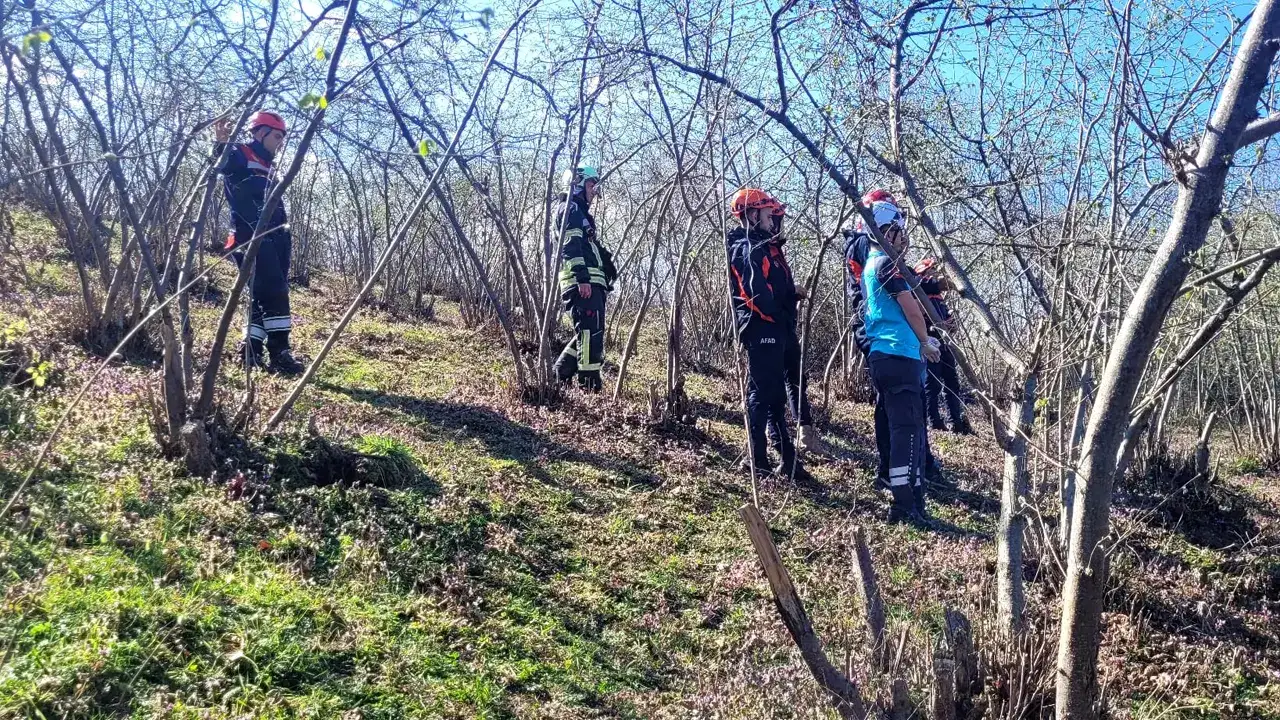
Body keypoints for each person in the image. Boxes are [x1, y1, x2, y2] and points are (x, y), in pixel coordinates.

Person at [859, 199, 941, 524]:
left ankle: (915, 502)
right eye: (897, 230)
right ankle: (904, 506)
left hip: (893, 356)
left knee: (914, 430)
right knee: (906, 432)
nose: (902, 236)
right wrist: (925, 341)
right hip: (898, 355)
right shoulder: (885, 264)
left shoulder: (874, 264)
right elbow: (911, 309)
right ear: (883, 230)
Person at [726, 187, 816, 485]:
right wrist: (776, 314)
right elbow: (754, 294)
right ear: (752, 214)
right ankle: (756, 459)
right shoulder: (746, 247)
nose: (772, 219)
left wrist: (791, 295)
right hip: (762, 327)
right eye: (767, 214)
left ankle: (787, 460)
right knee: (762, 393)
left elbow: (774, 287)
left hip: (778, 327)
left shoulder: (766, 246)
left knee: (775, 394)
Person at [213, 110, 304, 376]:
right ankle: (280, 352)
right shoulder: (242, 153)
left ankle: (250, 348)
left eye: (282, 138)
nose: (280, 143)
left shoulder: (269, 165)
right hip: (249, 235)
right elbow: (223, 164)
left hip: (276, 236)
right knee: (274, 290)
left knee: (261, 293)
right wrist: (221, 143)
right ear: (260, 133)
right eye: (276, 136)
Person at [553, 164, 617, 392]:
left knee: (588, 333)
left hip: (591, 281)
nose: (594, 190)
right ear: (577, 183)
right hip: (582, 283)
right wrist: (582, 278)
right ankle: (590, 388)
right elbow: (570, 245)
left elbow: (586, 246)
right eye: (591, 184)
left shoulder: (579, 212)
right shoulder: (569, 209)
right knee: (590, 336)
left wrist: (605, 264)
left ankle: (558, 376)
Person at [914, 257, 972, 434]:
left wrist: (951, 323)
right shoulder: (918, 290)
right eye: (931, 270)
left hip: (946, 344)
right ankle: (934, 421)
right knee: (932, 384)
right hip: (929, 342)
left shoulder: (938, 298)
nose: (935, 274)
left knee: (952, 382)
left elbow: (949, 322)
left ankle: (956, 422)